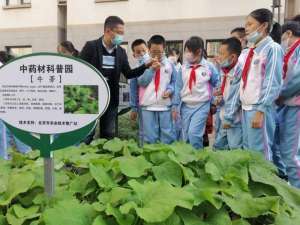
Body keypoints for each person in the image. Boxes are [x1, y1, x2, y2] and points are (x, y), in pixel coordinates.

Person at [80, 16, 153, 143]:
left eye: (122, 33)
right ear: (108, 31)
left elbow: (129, 73)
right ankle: (79, 160)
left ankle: (105, 159)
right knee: (87, 134)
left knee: (108, 135)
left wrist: (145, 66)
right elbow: (79, 69)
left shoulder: (121, 52)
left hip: (111, 97)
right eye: (119, 32)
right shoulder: (91, 46)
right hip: (91, 96)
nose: (121, 36)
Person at [226, 8, 283, 160]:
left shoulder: (273, 49)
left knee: (261, 154)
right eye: (246, 24)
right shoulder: (246, 53)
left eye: (250, 24)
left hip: (259, 109)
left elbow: (273, 82)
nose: (246, 28)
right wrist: (230, 113)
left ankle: (266, 183)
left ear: (263, 26)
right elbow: (236, 83)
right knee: (248, 152)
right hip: (245, 109)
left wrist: (261, 110)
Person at [173, 36, 219, 149]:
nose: (187, 54)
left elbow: (216, 83)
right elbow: (178, 87)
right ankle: (188, 161)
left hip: (202, 106)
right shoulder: (183, 69)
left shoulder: (209, 67)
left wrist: (214, 101)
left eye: (189, 51)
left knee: (194, 134)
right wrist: (175, 107)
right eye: (186, 51)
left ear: (198, 52)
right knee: (186, 137)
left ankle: (198, 159)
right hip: (185, 107)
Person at [137, 35, 177, 144]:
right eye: (153, 51)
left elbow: (175, 82)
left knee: (167, 135)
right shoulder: (143, 63)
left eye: (159, 51)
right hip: (147, 105)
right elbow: (141, 82)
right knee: (149, 137)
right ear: (149, 49)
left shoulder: (170, 64)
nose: (156, 54)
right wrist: (151, 70)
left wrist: (170, 89)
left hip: (165, 105)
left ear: (164, 49)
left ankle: (167, 158)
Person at [276, 19, 300, 188]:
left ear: (289, 34)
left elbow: (296, 79)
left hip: (295, 105)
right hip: (288, 105)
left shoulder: (298, 50)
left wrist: (280, 95)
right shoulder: (290, 51)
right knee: (287, 151)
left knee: (291, 154)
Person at [0, 52, 31, 160]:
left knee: (5, 136)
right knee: (18, 135)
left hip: (7, 107)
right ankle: (28, 157)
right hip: (14, 107)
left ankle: (5, 160)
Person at [214, 37, 243, 150]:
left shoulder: (239, 71)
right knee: (218, 147)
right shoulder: (224, 70)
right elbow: (225, 92)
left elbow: (235, 97)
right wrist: (219, 98)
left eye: (222, 54)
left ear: (233, 57)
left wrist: (228, 118)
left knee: (235, 149)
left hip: (234, 120)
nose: (219, 57)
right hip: (224, 117)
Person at [129, 39, 150, 145]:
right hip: (143, 104)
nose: (142, 54)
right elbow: (133, 90)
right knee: (143, 131)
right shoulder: (135, 69)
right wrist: (134, 108)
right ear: (134, 55)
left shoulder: (156, 64)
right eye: (138, 52)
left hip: (158, 103)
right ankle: (143, 150)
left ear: (148, 50)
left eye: (144, 51)